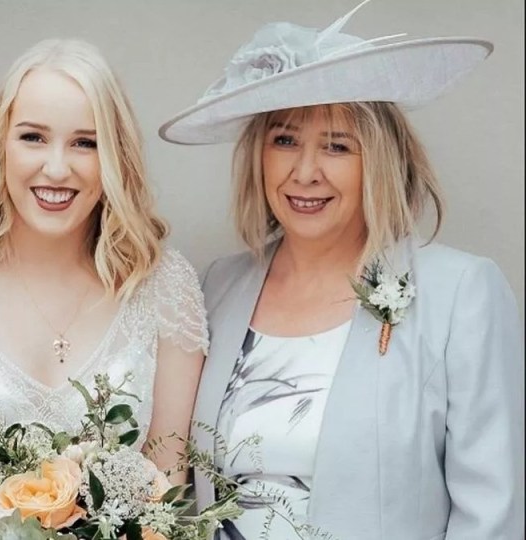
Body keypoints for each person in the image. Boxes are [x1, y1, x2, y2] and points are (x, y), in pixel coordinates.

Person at [158, 2, 524, 539]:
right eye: (284, 139)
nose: (305, 172)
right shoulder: (217, 287)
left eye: (336, 146)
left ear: (378, 157)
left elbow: (492, 515)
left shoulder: (460, 293)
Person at [0, 38, 208, 536]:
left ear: (115, 156)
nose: (56, 167)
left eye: (85, 143)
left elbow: (169, 490)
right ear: (1, 143)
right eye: (33, 137)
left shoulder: (163, 287)